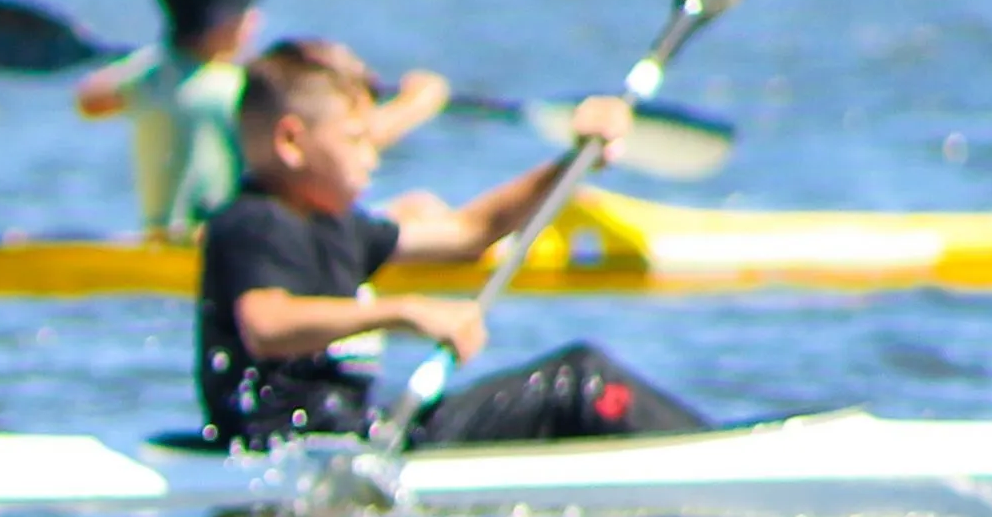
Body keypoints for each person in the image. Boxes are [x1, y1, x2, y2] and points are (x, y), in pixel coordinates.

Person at [194, 37, 711, 453]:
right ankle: (712, 455)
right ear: (290, 142)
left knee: (573, 387)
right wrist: (407, 312)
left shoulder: (339, 227)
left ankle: (700, 449)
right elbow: (266, 325)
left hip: (352, 438)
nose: (372, 157)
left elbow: (472, 233)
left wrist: (572, 163)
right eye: (356, 140)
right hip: (286, 448)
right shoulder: (253, 222)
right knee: (577, 380)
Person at [75, 0, 443, 240]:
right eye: (248, 11)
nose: (257, 20)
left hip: (162, 238)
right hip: (231, 241)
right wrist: (420, 101)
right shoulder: (238, 90)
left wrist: (161, 60)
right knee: (421, 207)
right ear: (224, 25)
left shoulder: (149, 75)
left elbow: (89, 100)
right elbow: (341, 142)